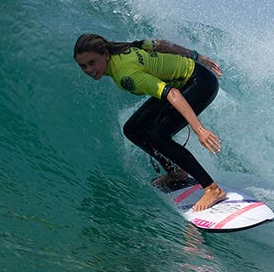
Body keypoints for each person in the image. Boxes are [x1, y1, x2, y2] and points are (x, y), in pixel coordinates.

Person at [73, 33, 227, 212]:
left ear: (105, 54)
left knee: (158, 136)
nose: (89, 70)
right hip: (184, 81)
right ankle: (175, 172)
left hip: (199, 83)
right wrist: (196, 56)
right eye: (83, 66)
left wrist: (200, 130)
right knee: (132, 129)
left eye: (92, 62)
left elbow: (172, 95)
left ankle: (212, 188)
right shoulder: (124, 47)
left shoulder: (125, 75)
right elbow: (159, 44)